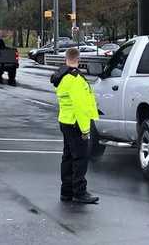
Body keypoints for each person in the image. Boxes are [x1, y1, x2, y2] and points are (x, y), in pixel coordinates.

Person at [50, 47, 100, 204]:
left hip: (66, 120)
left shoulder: (63, 77)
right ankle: (79, 191)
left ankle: (67, 191)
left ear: (66, 59)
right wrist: (85, 130)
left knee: (68, 157)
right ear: (78, 60)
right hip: (76, 123)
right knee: (80, 158)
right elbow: (80, 107)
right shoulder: (75, 79)